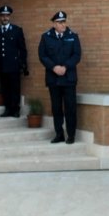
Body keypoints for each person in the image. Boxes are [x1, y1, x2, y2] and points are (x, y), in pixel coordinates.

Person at [39, 10, 82, 144]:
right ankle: (59, 134)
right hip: (54, 79)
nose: (62, 25)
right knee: (56, 108)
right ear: (54, 24)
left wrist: (65, 67)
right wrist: (54, 67)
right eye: (59, 22)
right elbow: (42, 55)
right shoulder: (46, 37)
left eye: (64, 22)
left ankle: (71, 135)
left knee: (70, 108)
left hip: (69, 79)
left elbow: (77, 55)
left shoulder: (73, 36)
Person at [0, 4, 29, 117]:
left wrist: (22, 64)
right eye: (2, 16)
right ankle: (7, 109)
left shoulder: (17, 30)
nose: (5, 18)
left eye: (7, 16)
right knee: (5, 88)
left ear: (9, 17)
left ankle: (15, 110)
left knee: (15, 88)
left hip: (14, 65)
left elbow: (23, 49)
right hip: (2, 66)